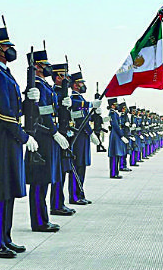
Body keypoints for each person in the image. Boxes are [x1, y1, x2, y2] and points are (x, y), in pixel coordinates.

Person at [0, 23, 36, 258]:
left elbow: (15, 110)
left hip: (8, 138)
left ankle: (6, 237)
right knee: (0, 191)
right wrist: (23, 136)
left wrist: (29, 100)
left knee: (9, 190)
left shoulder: (5, 75)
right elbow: (2, 113)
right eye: (7, 47)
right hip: (2, 138)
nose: (12, 51)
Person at [23, 48, 63, 233]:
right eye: (46, 65)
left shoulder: (45, 85)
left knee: (45, 180)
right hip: (43, 136)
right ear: (37, 67)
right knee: (40, 181)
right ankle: (39, 221)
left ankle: (43, 219)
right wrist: (54, 132)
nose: (49, 68)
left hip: (48, 136)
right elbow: (44, 113)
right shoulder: (37, 85)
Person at [67, 71, 102, 205]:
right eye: (81, 83)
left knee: (82, 166)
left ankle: (80, 193)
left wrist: (96, 114)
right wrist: (91, 132)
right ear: (75, 85)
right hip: (78, 137)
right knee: (77, 166)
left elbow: (87, 117)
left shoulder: (80, 99)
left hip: (83, 137)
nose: (82, 85)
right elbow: (81, 119)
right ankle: (75, 196)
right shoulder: (74, 98)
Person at [50, 63, 77, 216]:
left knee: (64, 170)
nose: (67, 78)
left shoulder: (64, 93)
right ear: (58, 77)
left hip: (66, 134)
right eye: (64, 75)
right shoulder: (54, 92)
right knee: (59, 172)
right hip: (58, 136)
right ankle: (56, 204)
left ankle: (60, 202)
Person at [107, 98, 126, 178]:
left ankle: (116, 172)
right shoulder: (112, 113)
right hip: (115, 134)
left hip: (116, 134)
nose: (117, 105)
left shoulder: (115, 113)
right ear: (112, 105)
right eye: (116, 104)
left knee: (117, 154)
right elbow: (115, 125)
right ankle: (113, 173)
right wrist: (121, 135)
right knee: (115, 154)